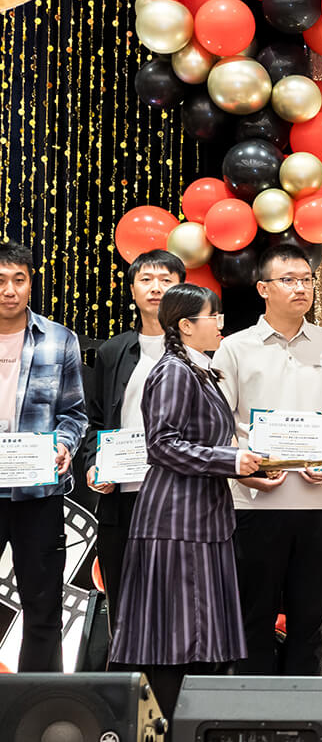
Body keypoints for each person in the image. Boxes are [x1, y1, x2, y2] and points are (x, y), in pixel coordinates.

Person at [212, 243, 322, 676]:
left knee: (310, 621)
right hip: (254, 503)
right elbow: (219, 421)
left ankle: (304, 714)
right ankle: (254, 711)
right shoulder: (235, 348)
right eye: (289, 280)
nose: (301, 288)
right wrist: (244, 470)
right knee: (253, 619)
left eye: (307, 280)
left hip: (318, 505)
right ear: (263, 288)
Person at [109, 284, 263, 719]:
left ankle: (192, 732)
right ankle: (170, 734)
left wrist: (248, 464)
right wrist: (230, 460)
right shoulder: (174, 371)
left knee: (200, 633)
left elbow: (205, 441)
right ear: (186, 325)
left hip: (203, 515)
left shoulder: (200, 369)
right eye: (213, 317)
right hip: (176, 519)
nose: (220, 325)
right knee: (173, 635)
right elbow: (162, 444)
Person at [83, 249, 186, 637]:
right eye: (146, 279)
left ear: (182, 288)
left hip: (181, 499)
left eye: (166, 280)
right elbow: (96, 422)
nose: (156, 288)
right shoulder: (112, 352)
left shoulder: (204, 350)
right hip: (122, 498)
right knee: (125, 613)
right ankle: (128, 677)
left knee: (178, 610)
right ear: (132, 290)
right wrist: (94, 464)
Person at [0, 241, 88, 671]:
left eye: (19, 280)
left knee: (43, 606)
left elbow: (74, 413)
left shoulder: (58, 338)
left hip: (38, 491)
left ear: (31, 284)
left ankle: (37, 700)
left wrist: (64, 445)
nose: (9, 290)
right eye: (1, 281)